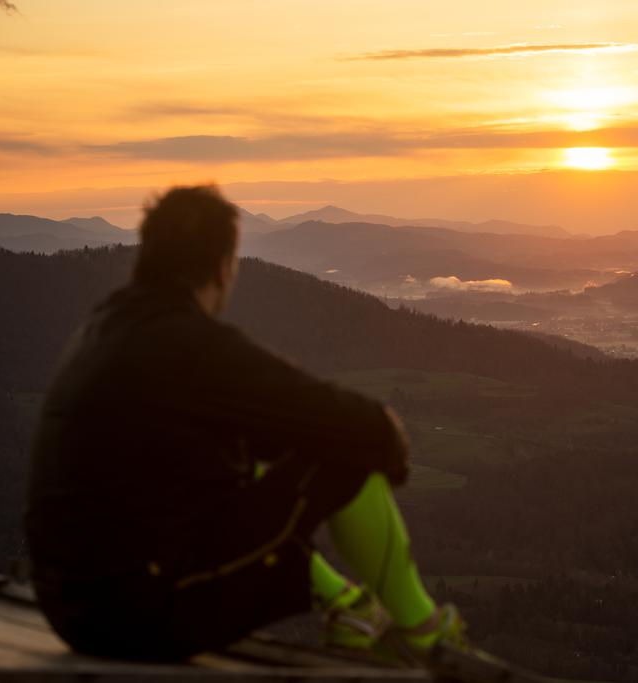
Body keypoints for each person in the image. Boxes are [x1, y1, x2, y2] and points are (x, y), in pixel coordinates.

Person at [25, 185, 472, 663]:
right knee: (346, 454)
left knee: (240, 457)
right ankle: (424, 634)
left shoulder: (105, 328)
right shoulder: (185, 343)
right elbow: (349, 423)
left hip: (71, 607)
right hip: (140, 615)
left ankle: (349, 608)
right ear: (223, 266)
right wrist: (387, 432)